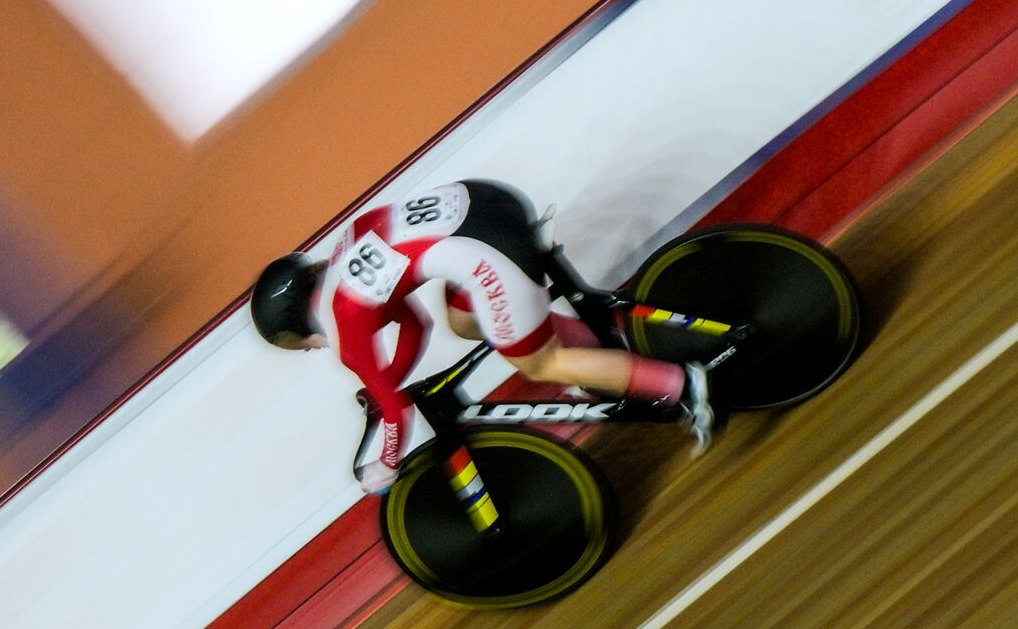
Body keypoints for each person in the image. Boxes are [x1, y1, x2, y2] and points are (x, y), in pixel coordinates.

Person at [250, 179, 712, 494]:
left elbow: (396, 413)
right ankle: (598, 357)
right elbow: (418, 324)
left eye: (296, 345)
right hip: (488, 201)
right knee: (464, 321)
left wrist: (385, 467)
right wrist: (388, 381)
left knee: (540, 363)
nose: (308, 351)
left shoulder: (341, 325)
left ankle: (682, 385)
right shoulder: (343, 255)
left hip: (485, 246)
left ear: (298, 330)